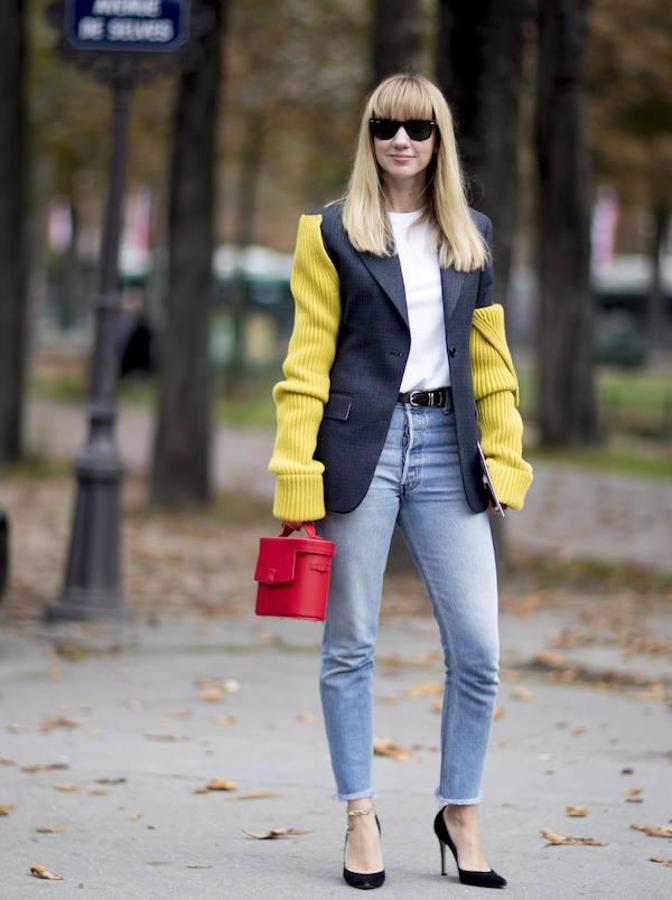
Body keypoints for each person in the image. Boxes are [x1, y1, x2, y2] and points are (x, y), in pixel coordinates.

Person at [268, 73, 533, 890]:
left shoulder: (472, 234)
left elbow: (490, 360)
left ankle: (460, 811)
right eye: (386, 126)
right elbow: (307, 360)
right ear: (370, 135)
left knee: (480, 650)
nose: (402, 141)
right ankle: (359, 815)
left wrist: (507, 451)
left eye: (418, 128)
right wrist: (294, 474)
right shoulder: (332, 231)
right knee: (350, 645)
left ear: (439, 139)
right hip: (361, 451)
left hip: (446, 449)